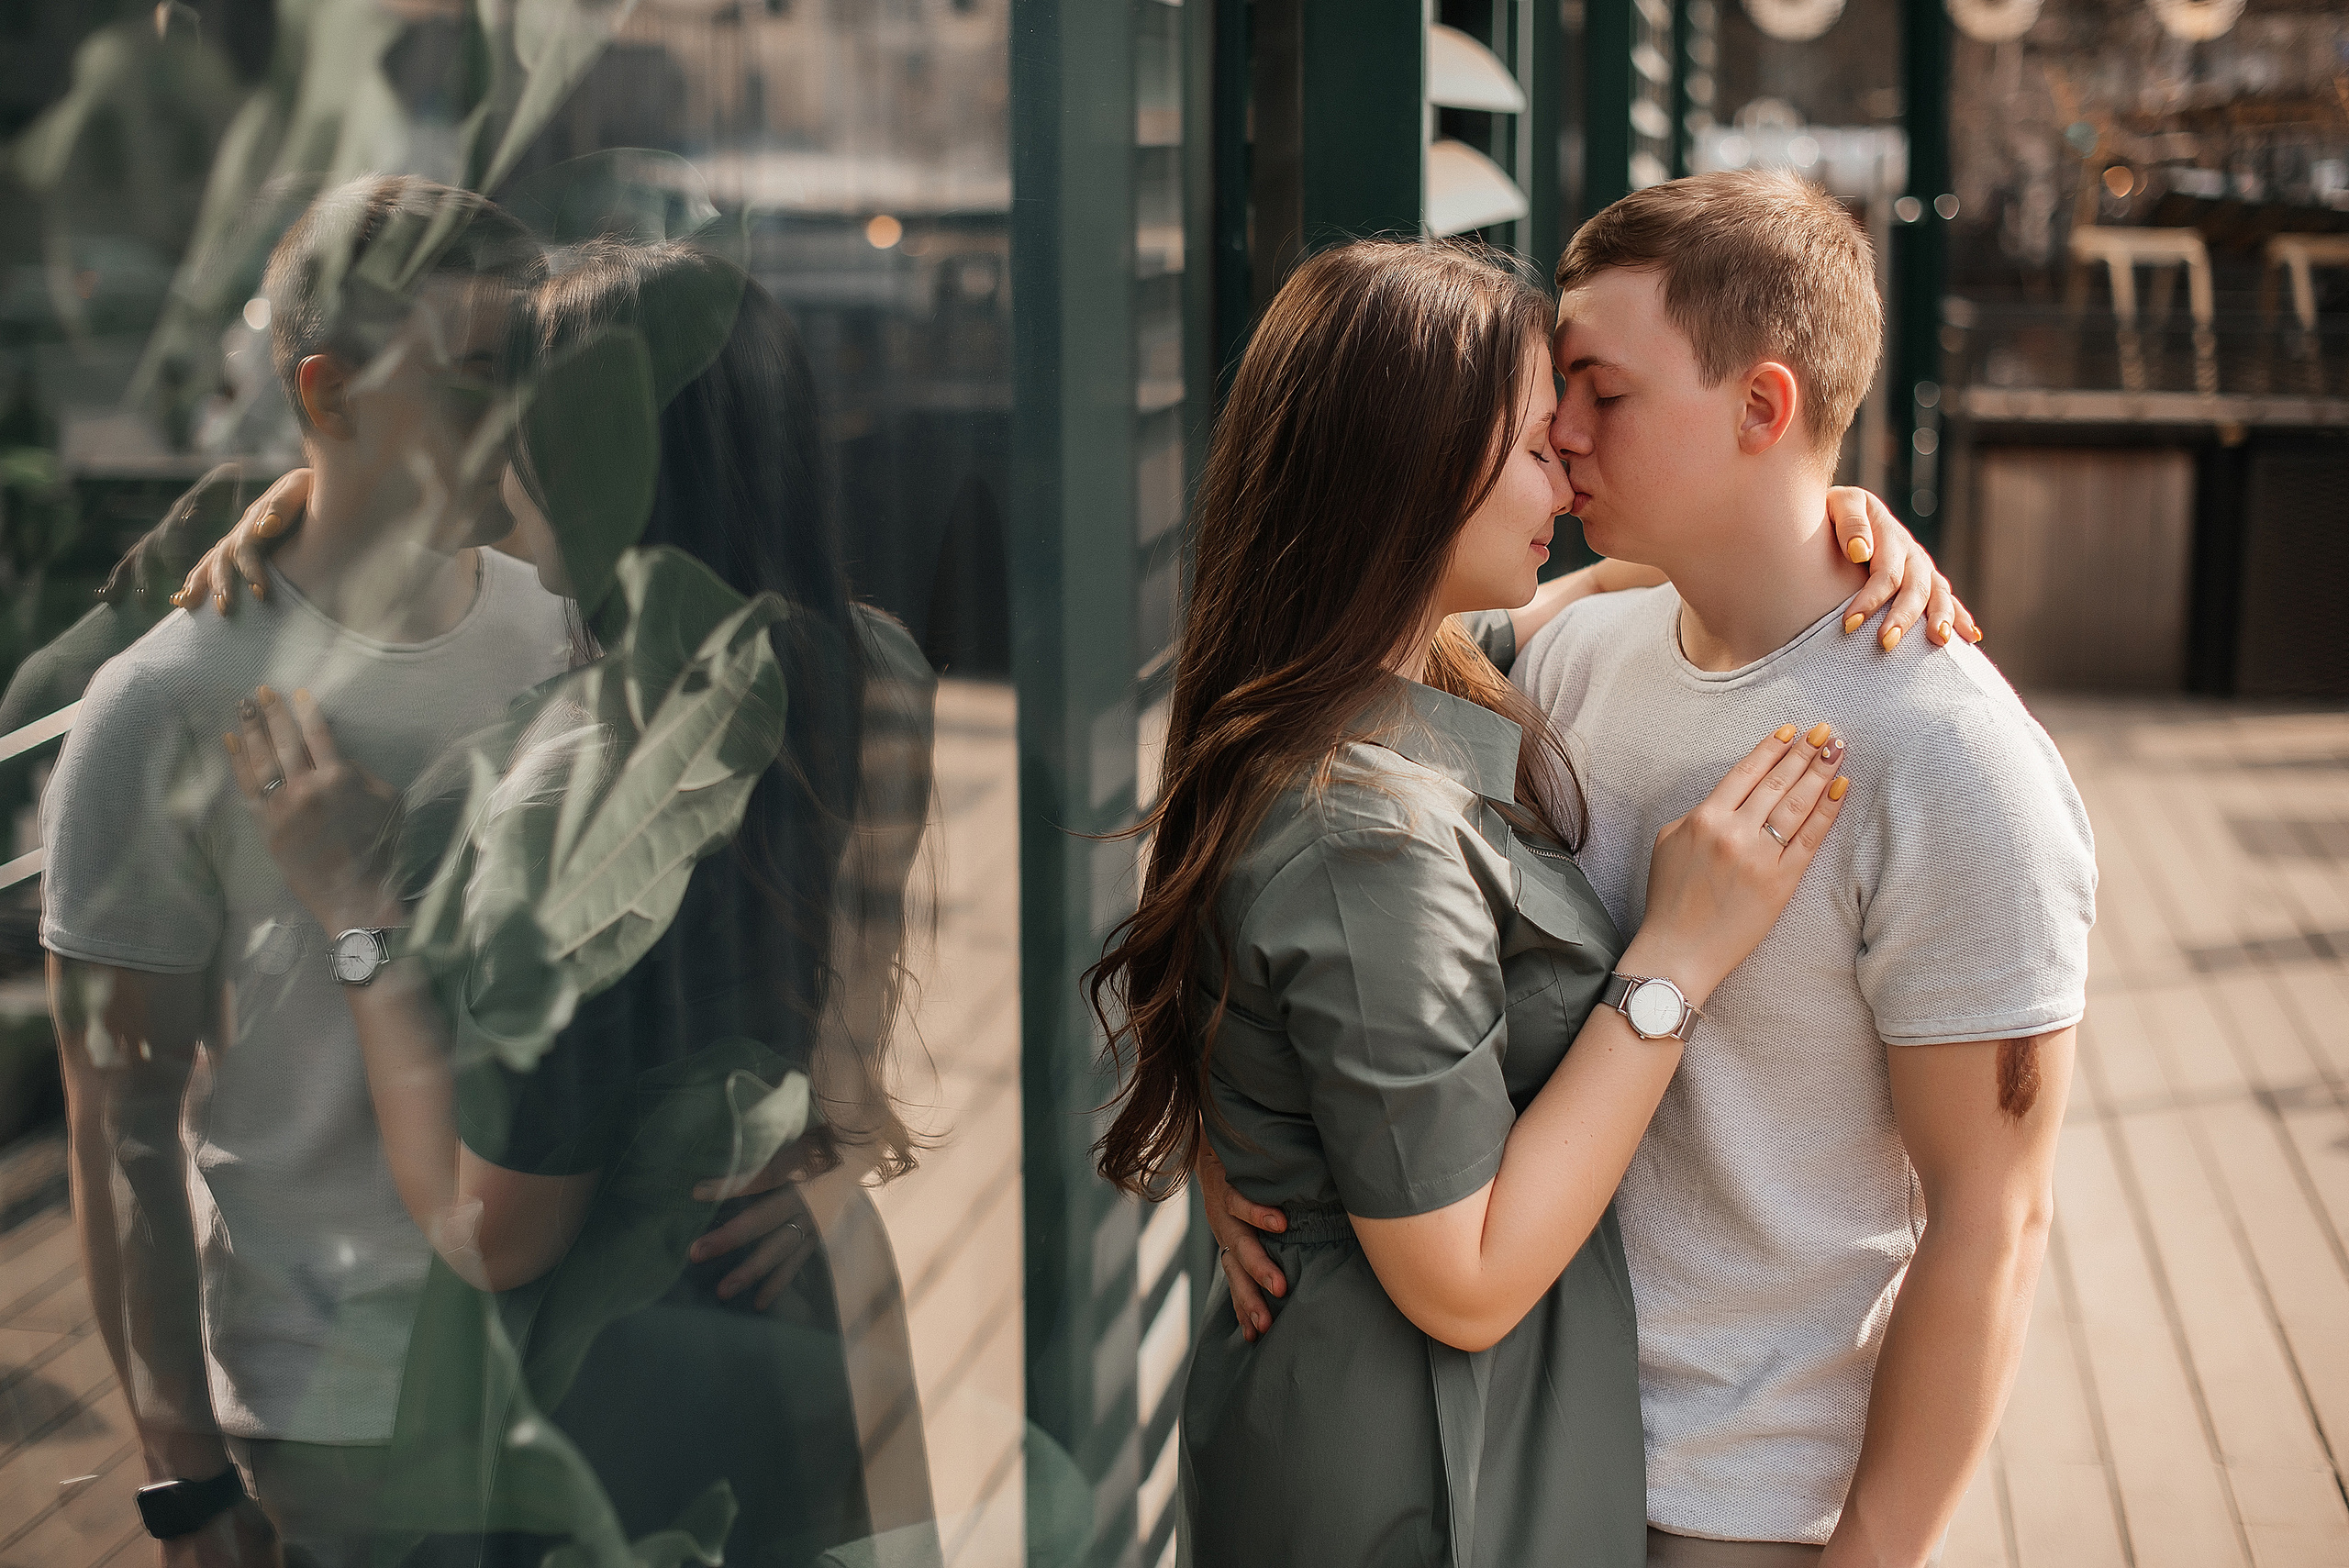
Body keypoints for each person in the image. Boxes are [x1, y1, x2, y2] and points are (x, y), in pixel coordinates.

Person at [1085, 238, 1979, 1568]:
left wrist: (1834, 519)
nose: (1565, 465)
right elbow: (1466, 1274)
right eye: (1528, 441)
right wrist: (1673, 962)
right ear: (1406, 477)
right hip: (1412, 1485)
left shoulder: (1400, 673)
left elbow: (1611, 578)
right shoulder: (1367, 828)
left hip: (1401, 1440)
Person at [206, 239, 940, 1567]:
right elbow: (854, 977)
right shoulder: (868, 664)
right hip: (799, 1311)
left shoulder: (591, 789)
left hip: (626, 1380)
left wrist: (355, 914)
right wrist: (832, 1157)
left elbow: (496, 1231)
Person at [39, 174, 566, 1564]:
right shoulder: (160, 705)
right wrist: (183, 1481)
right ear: (328, 396)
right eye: (476, 375)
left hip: (578, 1373)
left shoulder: (561, 625)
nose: (523, 417)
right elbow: (121, 1124)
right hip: (338, 1429)